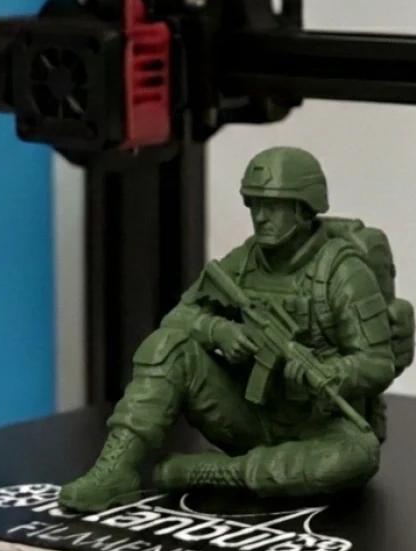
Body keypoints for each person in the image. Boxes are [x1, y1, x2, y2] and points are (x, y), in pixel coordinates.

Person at [58, 146, 398, 510]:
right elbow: (178, 318)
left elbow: (379, 362)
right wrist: (220, 332)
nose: (260, 217)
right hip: (250, 416)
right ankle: (115, 471)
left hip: (320, 426)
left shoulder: (344, 274)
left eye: (273, 206)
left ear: (303, 208)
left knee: (357, 456)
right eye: (254, 205)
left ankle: (211, 472)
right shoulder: (245, 261)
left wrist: (334, 372)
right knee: (167, 347)